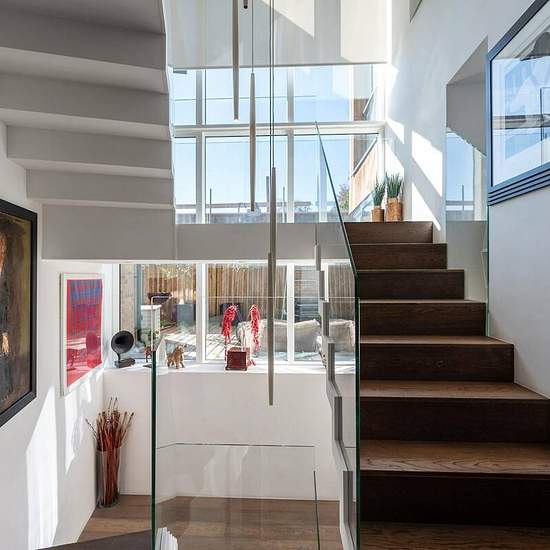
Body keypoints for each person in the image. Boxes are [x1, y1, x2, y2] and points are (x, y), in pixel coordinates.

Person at [0, 231, 12, 402]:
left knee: (4, 355)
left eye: (3, 245)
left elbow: (5, 304)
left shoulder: (6, 271)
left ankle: (4, 392)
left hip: (3, 324)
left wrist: (4, 332)